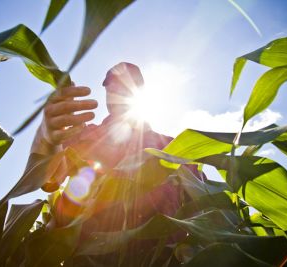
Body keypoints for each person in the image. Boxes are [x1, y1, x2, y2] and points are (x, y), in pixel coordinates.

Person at [25, 62, 204, 264]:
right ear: (107, 92)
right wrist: (46, 138)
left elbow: (204, 206)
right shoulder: (85, 135)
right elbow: (49, 177)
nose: (119, 89)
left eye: (128, 83)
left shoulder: (174, 148)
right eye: (113, 85)